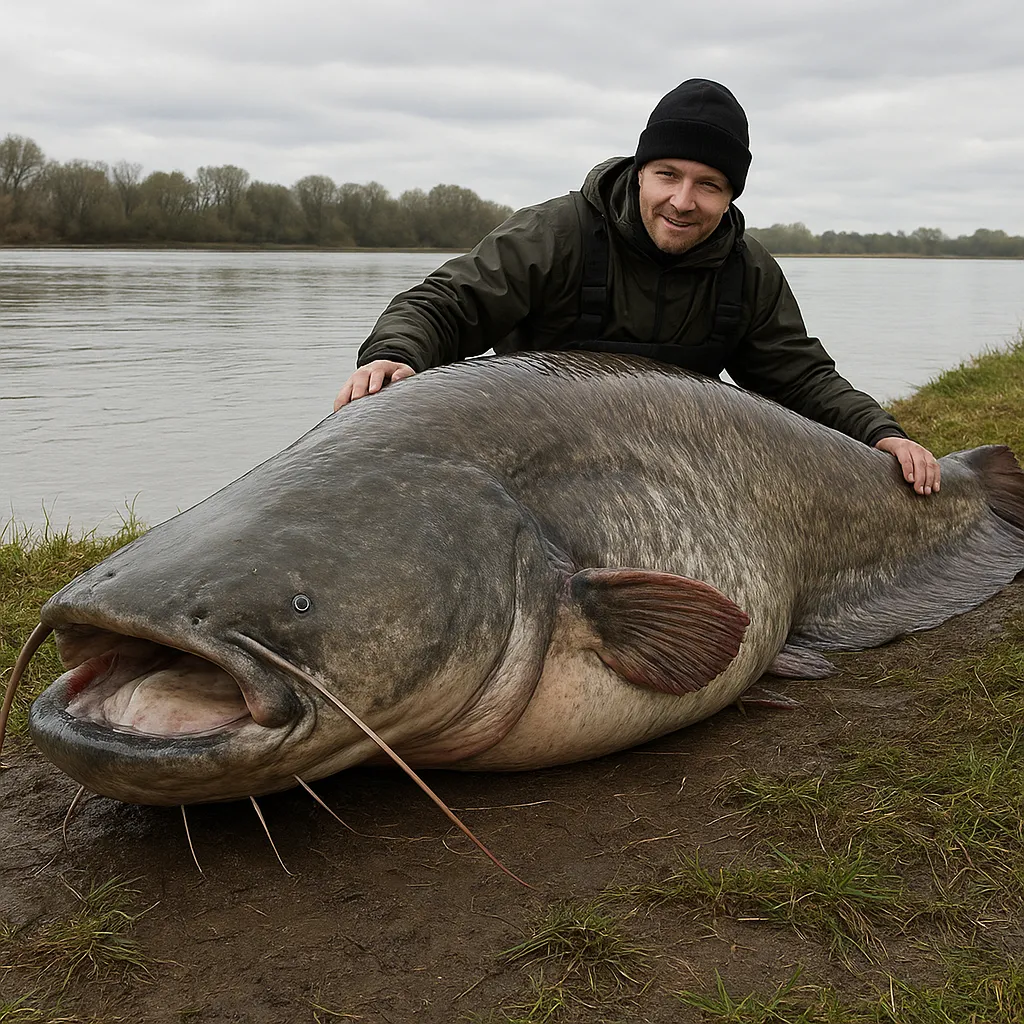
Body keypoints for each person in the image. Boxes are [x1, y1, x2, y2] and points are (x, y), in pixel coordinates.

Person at [335, 78, 940, 495]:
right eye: (668, 175)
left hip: (675, 477)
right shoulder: (558, 232)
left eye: (709, 184)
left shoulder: (749, 270)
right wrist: (395, 354)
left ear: (731, 196)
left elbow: (800, 376)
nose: (682, 201)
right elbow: (446, 303)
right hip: (540, 467)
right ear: (640, 170)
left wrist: (880, 433)